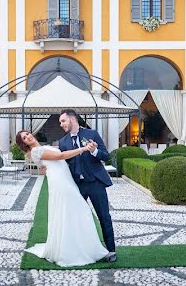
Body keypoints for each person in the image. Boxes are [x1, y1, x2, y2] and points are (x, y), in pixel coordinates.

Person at [17, 129, 110, 267]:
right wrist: (83, 148)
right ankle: (71, 251)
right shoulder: (36, 151)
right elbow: (60, 156)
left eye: (28, 134)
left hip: (66, 179)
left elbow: (43, 167)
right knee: (79, 210)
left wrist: (43, 168)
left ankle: (79, 246)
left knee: (74, 212)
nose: (28, 137)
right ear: (23, 143)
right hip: (60, 183)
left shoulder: (40, 148)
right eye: (24, 138)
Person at [57, 108, 116, 262]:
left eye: (63, 121)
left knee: (104, 217)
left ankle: (111, 251)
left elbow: (106, 155)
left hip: (96, 183)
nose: (61, 124)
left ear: (72, 119)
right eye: (60, 122)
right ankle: (82, 251)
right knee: (77, 219)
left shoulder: (92, 134)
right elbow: (63, 163)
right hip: (78, 186)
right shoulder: (63, 142)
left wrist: (95, 151)